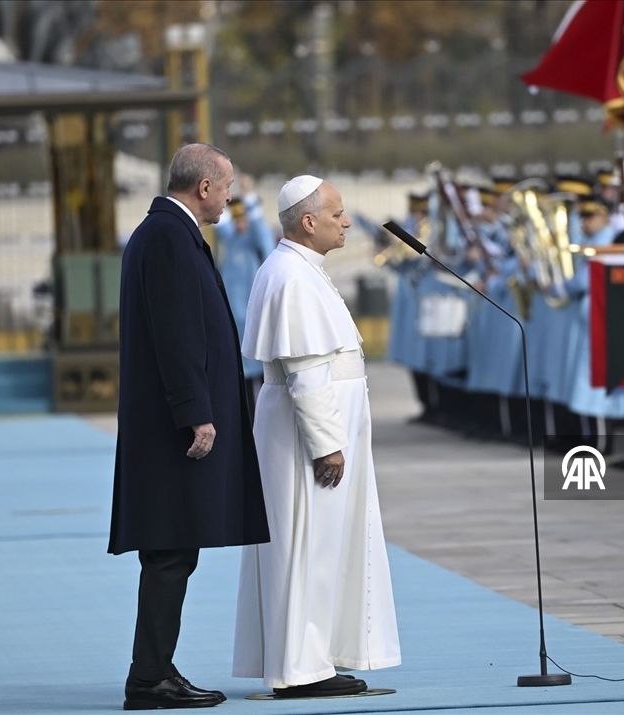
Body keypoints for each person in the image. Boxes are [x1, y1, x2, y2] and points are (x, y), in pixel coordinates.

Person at [109, 142, 270, 710]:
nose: (229, 196)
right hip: (174, 430)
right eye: (225, 186)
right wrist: (195, 413)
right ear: (204, 187)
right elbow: (177, 335)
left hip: (166, 426)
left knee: (172, 550)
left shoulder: (163, 233)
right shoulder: (170, 238)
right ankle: (149, 678)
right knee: (171, 551)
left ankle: (155, 668)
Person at [233, 176, 401, 698]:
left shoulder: (299, 269)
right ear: (309, 222)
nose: (347, 222)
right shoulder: (292, 276)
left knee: (318, 547)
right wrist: (328, 443)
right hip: (307, 438)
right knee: (307, 548)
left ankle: (313, 660)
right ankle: (302, 668)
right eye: (338, 213)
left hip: (312, 430)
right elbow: (306, 371)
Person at [215, 176, 277, 411]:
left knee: (263, 378)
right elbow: (221, 226)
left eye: (243, 217)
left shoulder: (254, 241)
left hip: (253, 317)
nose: (239, 222)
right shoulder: (232, 241)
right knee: (241, 381)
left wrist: (249, 196)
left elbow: (263, 235)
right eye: (236, 217)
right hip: (233, 317)